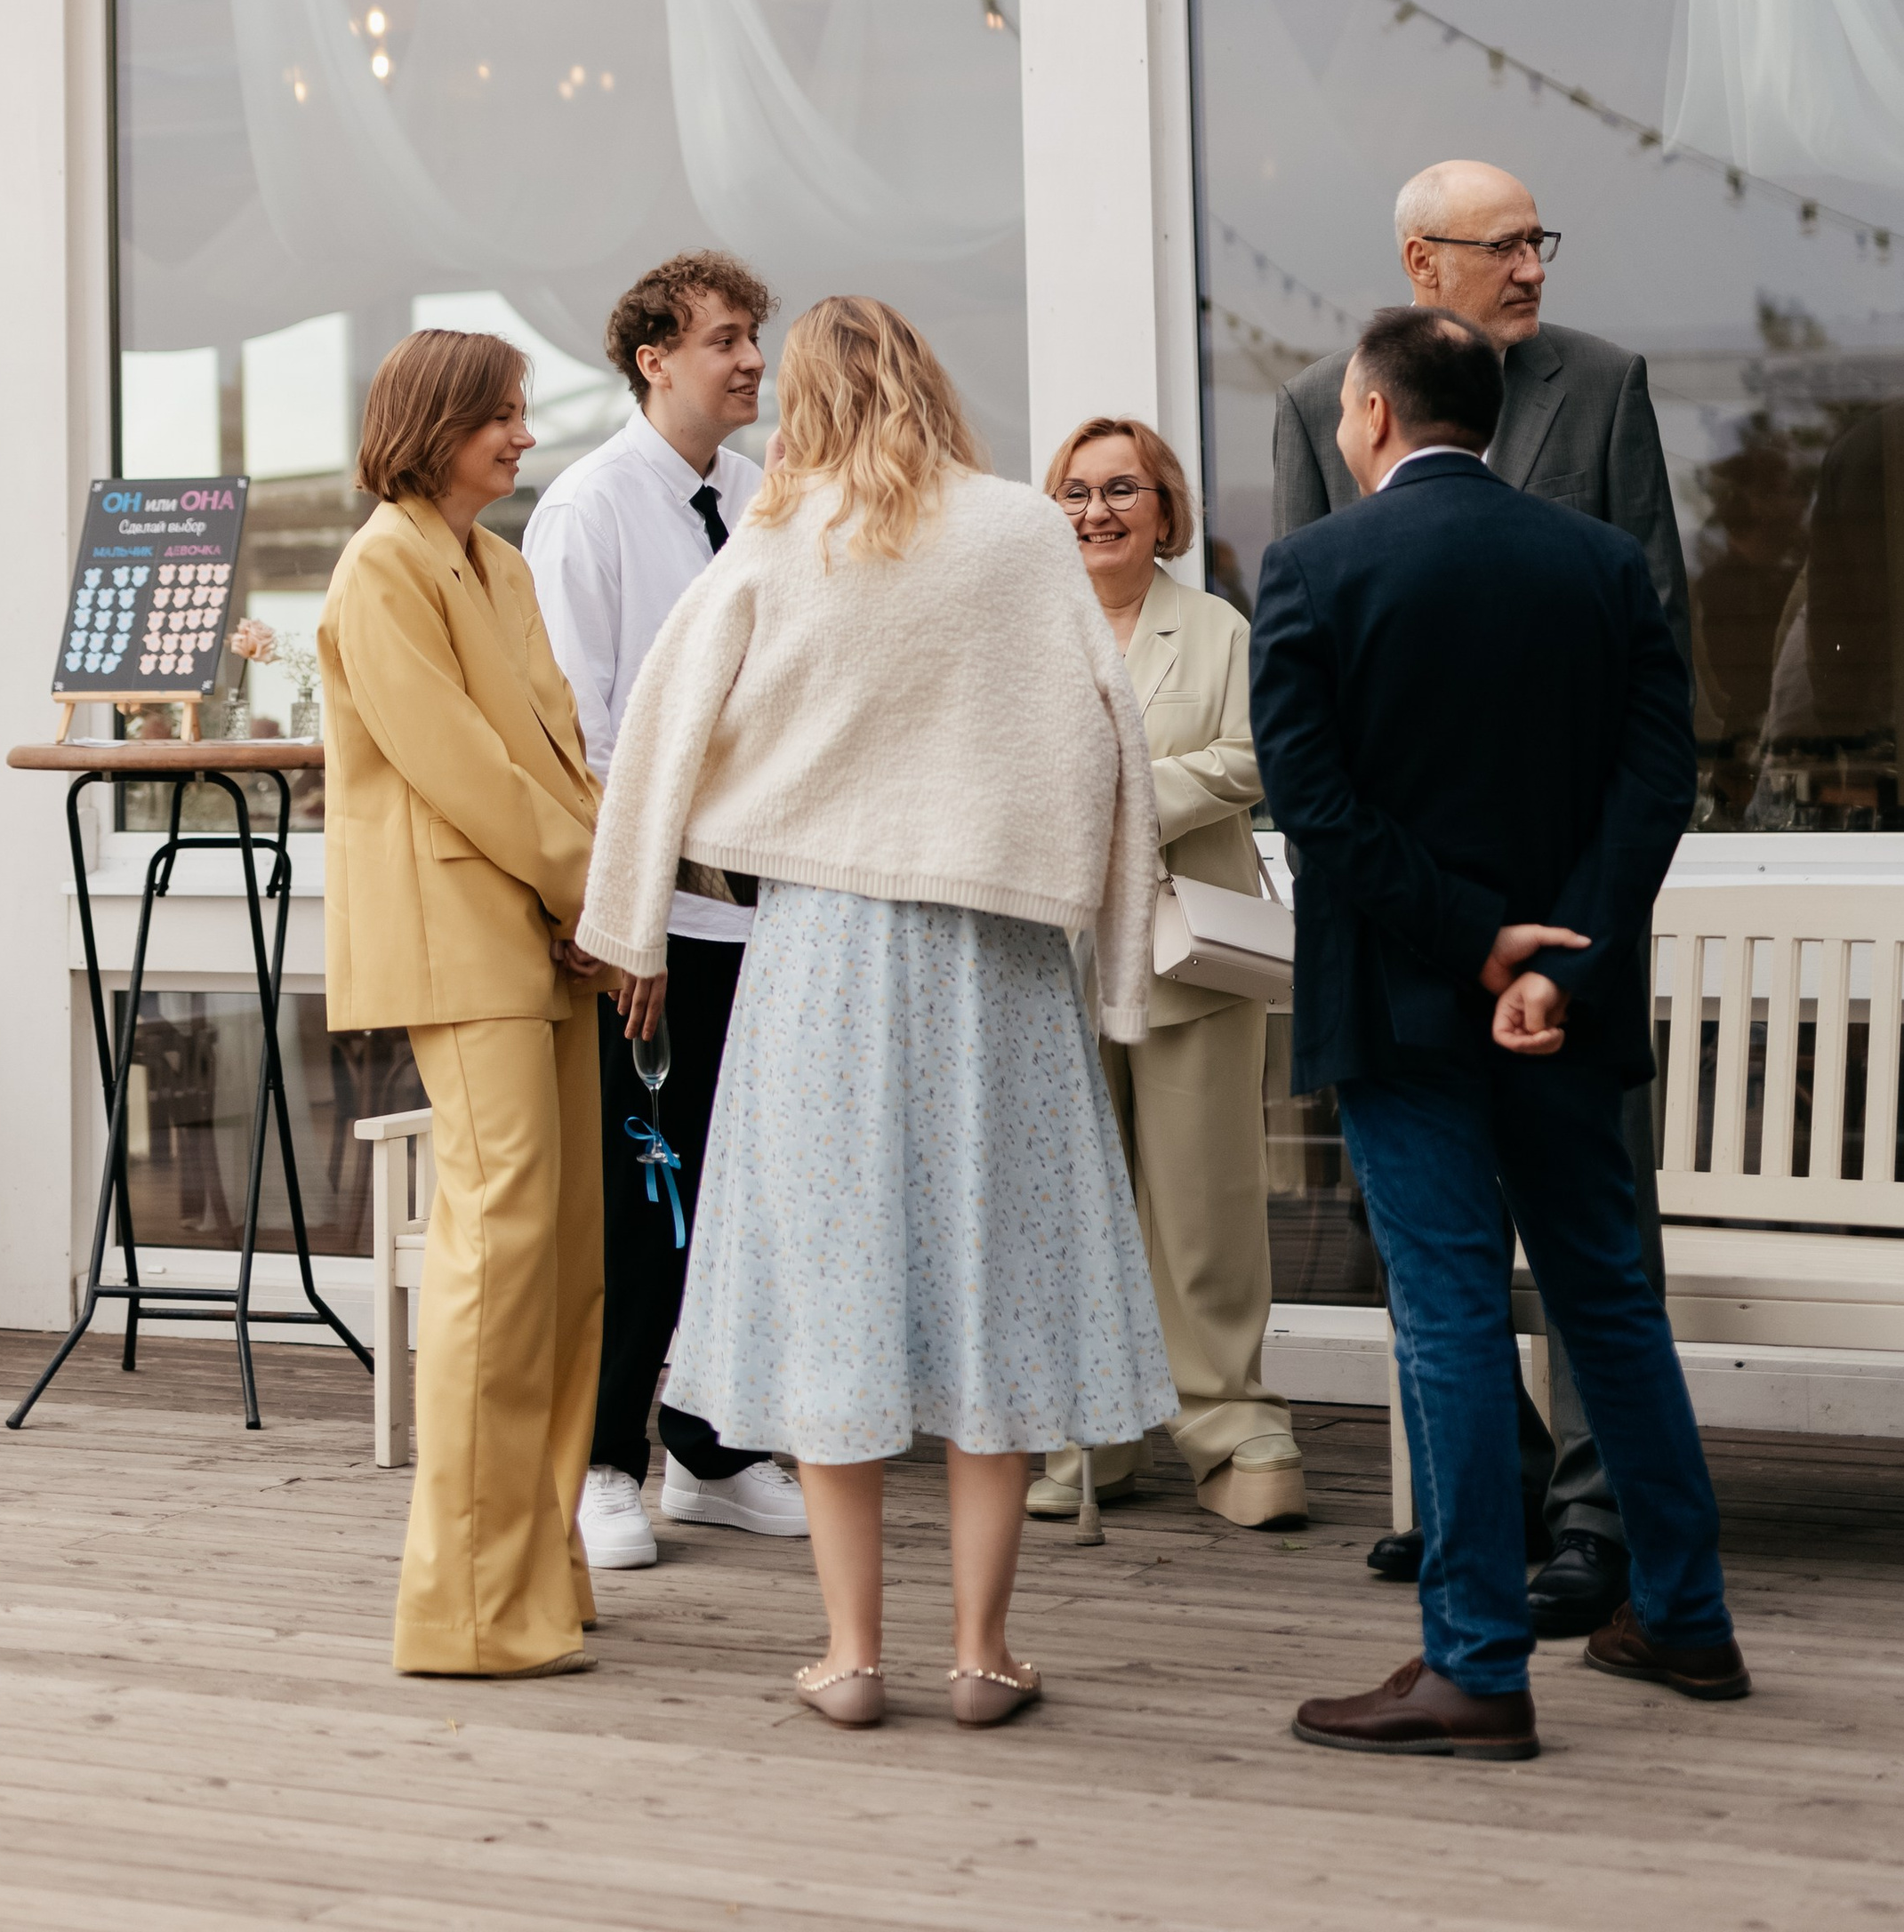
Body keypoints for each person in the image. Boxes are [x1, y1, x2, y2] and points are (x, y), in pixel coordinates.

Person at [575, 296, 1173, 1729]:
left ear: (817, 399)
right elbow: (1116, 732)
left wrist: (626, 916)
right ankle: (982, 1650)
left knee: (834, 1292)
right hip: (998, 966)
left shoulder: (780, 536)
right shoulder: (1024, 533)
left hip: (823, 959)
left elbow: (660, 722)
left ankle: (850, 1654)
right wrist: (1123, 949)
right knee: (998, 1296)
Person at [1254, 304, 1745, 1759]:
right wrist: (1560, 963)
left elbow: (1319, 811)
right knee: (1609, 1304)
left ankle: (1475, 1661)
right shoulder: (1595, 565)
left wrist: (1474, 946)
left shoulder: (1313, 569)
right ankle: (1687, 1615)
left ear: (1375, 415)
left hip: (1406, 1013)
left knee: (1454, 1313)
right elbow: (1661, 782)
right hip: (1565, 1014)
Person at [319, 327, 610, 1679]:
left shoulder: (495, 561)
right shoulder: (380, 568)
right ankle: (468, 1612)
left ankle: (538, 1577)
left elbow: (555, 749)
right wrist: (596, 897)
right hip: (467, 937)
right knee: (498, 1255)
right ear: (433, 423)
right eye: (500, 415)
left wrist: (604, 890)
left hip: (542, 934)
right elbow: (471, 775)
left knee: (564, 1266)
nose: (522, 435)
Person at [523, 250, 809, 1570]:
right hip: (653, 923)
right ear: (654, 358)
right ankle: (601, 1462)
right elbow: (577, 736)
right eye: (726, 339)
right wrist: (624, 922)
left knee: (749, 1198)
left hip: (771, 916)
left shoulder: (763, 500)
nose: (753, 359)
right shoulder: (587, 510)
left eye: (756, 337)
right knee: (645, 1203)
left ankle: (712, 1446)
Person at [1027, 418, 1305, 1532]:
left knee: (1205, 1204)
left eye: (1121, 490)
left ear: (1163, 510)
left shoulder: (1219, 629)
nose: (1095, 511)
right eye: (1074, 492)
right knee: (1074, 1208)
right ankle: (1090, 1429)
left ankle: (1230, 1423)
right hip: (1052, 962)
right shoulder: (1022, 630)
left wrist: (1124, 797)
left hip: (1191, 955)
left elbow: (1255, 754)